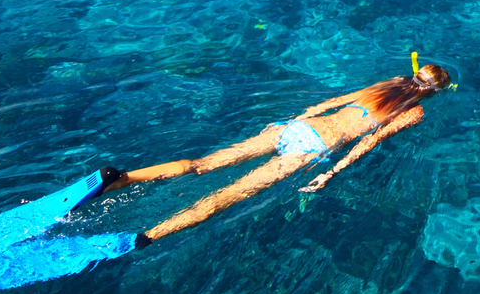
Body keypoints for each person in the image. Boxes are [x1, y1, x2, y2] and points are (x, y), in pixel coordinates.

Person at [102, 56, 453, 248]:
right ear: (433, 92)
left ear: (414, 73)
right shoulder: (415, 113)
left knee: (199, 165)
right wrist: (330, 173)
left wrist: (288, 121)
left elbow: (331, 103)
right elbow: (370, 141)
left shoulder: (383, 86)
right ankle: (149, 236)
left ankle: (123, 177)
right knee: (227, 196)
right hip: (311, 149)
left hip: (297, 129)